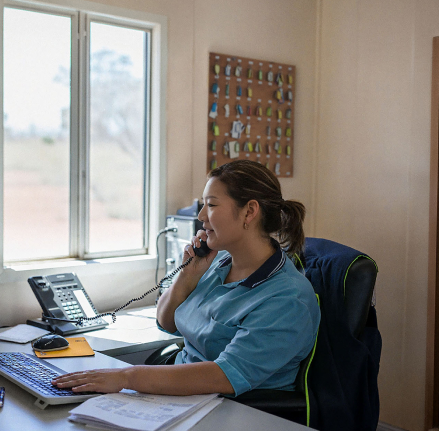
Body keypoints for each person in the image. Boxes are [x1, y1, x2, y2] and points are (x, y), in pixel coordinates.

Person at [52, 160, 320, 397]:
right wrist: (188, 275)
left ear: (250, 212)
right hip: (183, 399)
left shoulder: (287, 298)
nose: (201, 216)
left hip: (236, 413)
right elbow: (166, 322)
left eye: (211, 205)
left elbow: (223, 375)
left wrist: (126, 377)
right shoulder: (219, 265)